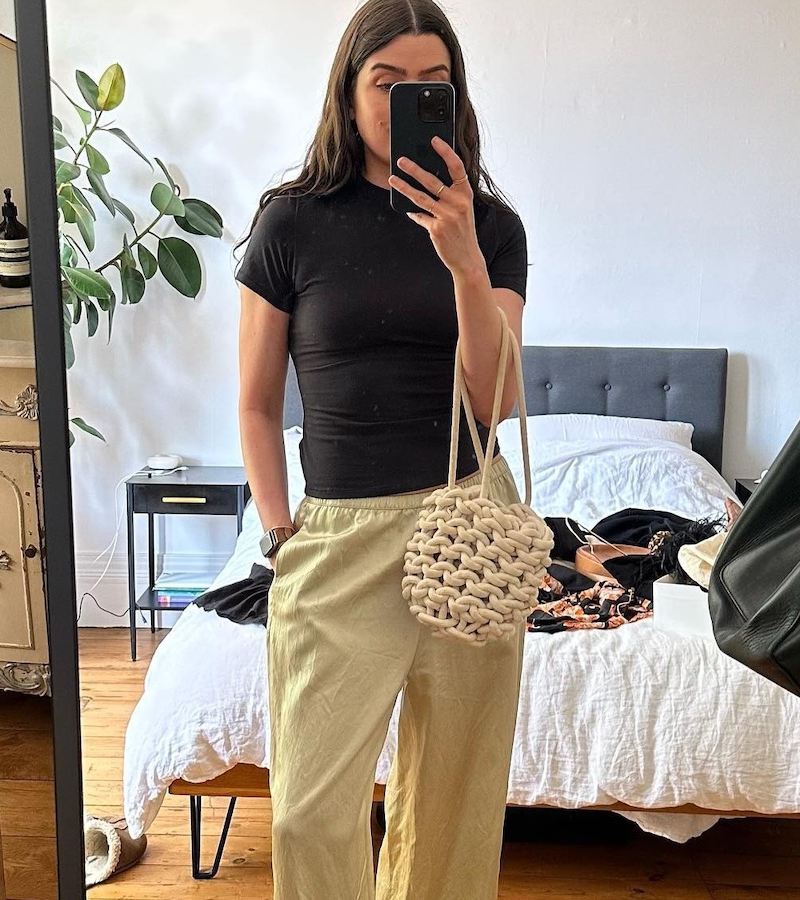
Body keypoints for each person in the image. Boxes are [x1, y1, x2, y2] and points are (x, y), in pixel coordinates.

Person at [235, 1, 529, 896]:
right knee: (308, 809)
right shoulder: (291, 222)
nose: (405, 99)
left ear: (455, 97)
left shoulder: (493, 228)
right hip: (337, 536)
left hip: (470, 521)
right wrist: (284, 534)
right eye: (386, 81)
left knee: (451, 801)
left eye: (429, 84)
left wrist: (464, 264)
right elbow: (254, 404)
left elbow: (496, 400)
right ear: (349, 90)